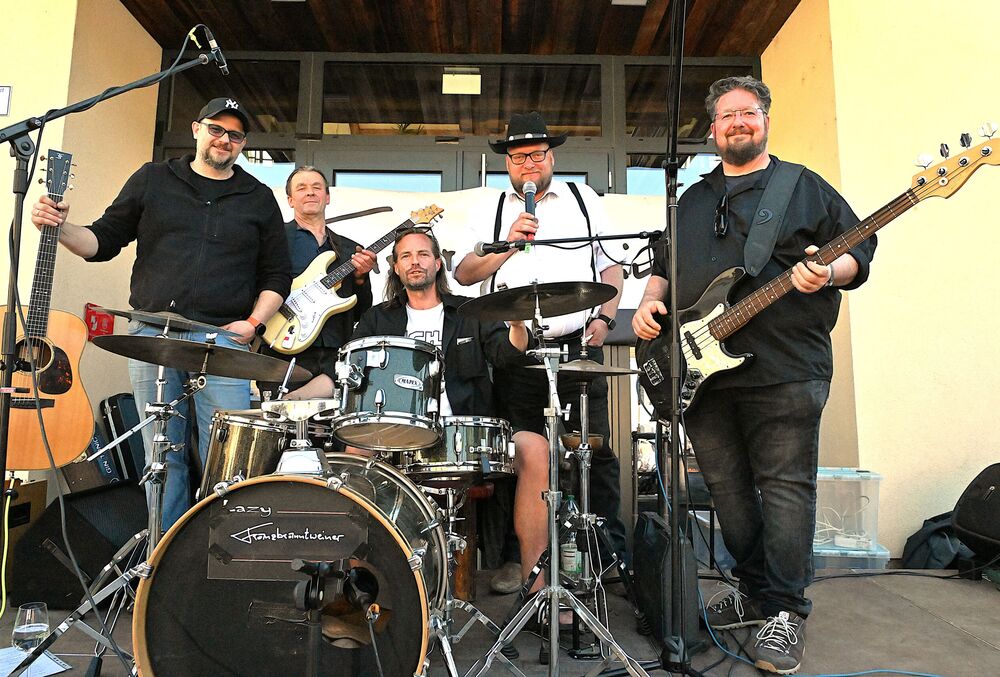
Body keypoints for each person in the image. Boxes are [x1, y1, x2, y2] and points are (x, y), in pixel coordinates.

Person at [632, 76, 877, 674]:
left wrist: (831, 272)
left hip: (787, 366)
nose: (738, 122)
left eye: (748, 112)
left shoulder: (803, 187)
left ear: (765, 120)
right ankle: (754, 588)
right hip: (703, 373)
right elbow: (664, 264)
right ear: (712, 129)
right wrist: (648, 302)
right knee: (727, 493)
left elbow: (859, 251)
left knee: (787, 489)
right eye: (726, 115)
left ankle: (786, 610)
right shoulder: (691, 198)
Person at [30, 97, 292, 531]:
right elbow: (102, 240)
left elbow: (276, 274)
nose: (224, 139)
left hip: (223, 340)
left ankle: (222, 550)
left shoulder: (258, 197)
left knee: (230, 459)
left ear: (243, 144)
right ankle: (164, 553)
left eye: (235, 135)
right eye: (216, 129)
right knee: (162, 454)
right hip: (153, 336)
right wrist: (60, 229)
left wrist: (253, 323)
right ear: (196, 129)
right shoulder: (153, 179)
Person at [453, 111, 628, 595]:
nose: (527, 164)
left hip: (577, 347)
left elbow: (611, 268)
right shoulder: (491, 207)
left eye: (536, 154)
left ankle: (605, 558)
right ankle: (522, 562)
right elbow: (464, 274)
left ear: (552, 157)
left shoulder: (582, 198)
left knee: (593, 453)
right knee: (524, 456)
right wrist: (509, 244)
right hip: (514, 349)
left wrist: (605, 319)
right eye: (517, 157)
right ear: (507, 164)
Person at [292, 227, 527, 427]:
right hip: (394, 432)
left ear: (438, 264)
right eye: (406, 256)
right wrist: (297, 397)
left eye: (423, 254)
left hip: (461, 431)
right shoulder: (377, 319)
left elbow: (507, 354)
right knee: (354, 453)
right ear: (396, 267)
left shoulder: (470, 312)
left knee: (533, 446)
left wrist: (517, 324)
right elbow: (345, 370)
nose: (415, 261)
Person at [257, 166, 376, 401]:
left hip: (335, 356)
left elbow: (361, 310)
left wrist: (361, 278)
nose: (310, 192)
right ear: (290, 200)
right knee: (281, 420)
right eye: (301, 188)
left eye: (317, 187)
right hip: (282, 349)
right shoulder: (273, 240)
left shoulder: (349, 249)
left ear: (327, 197)